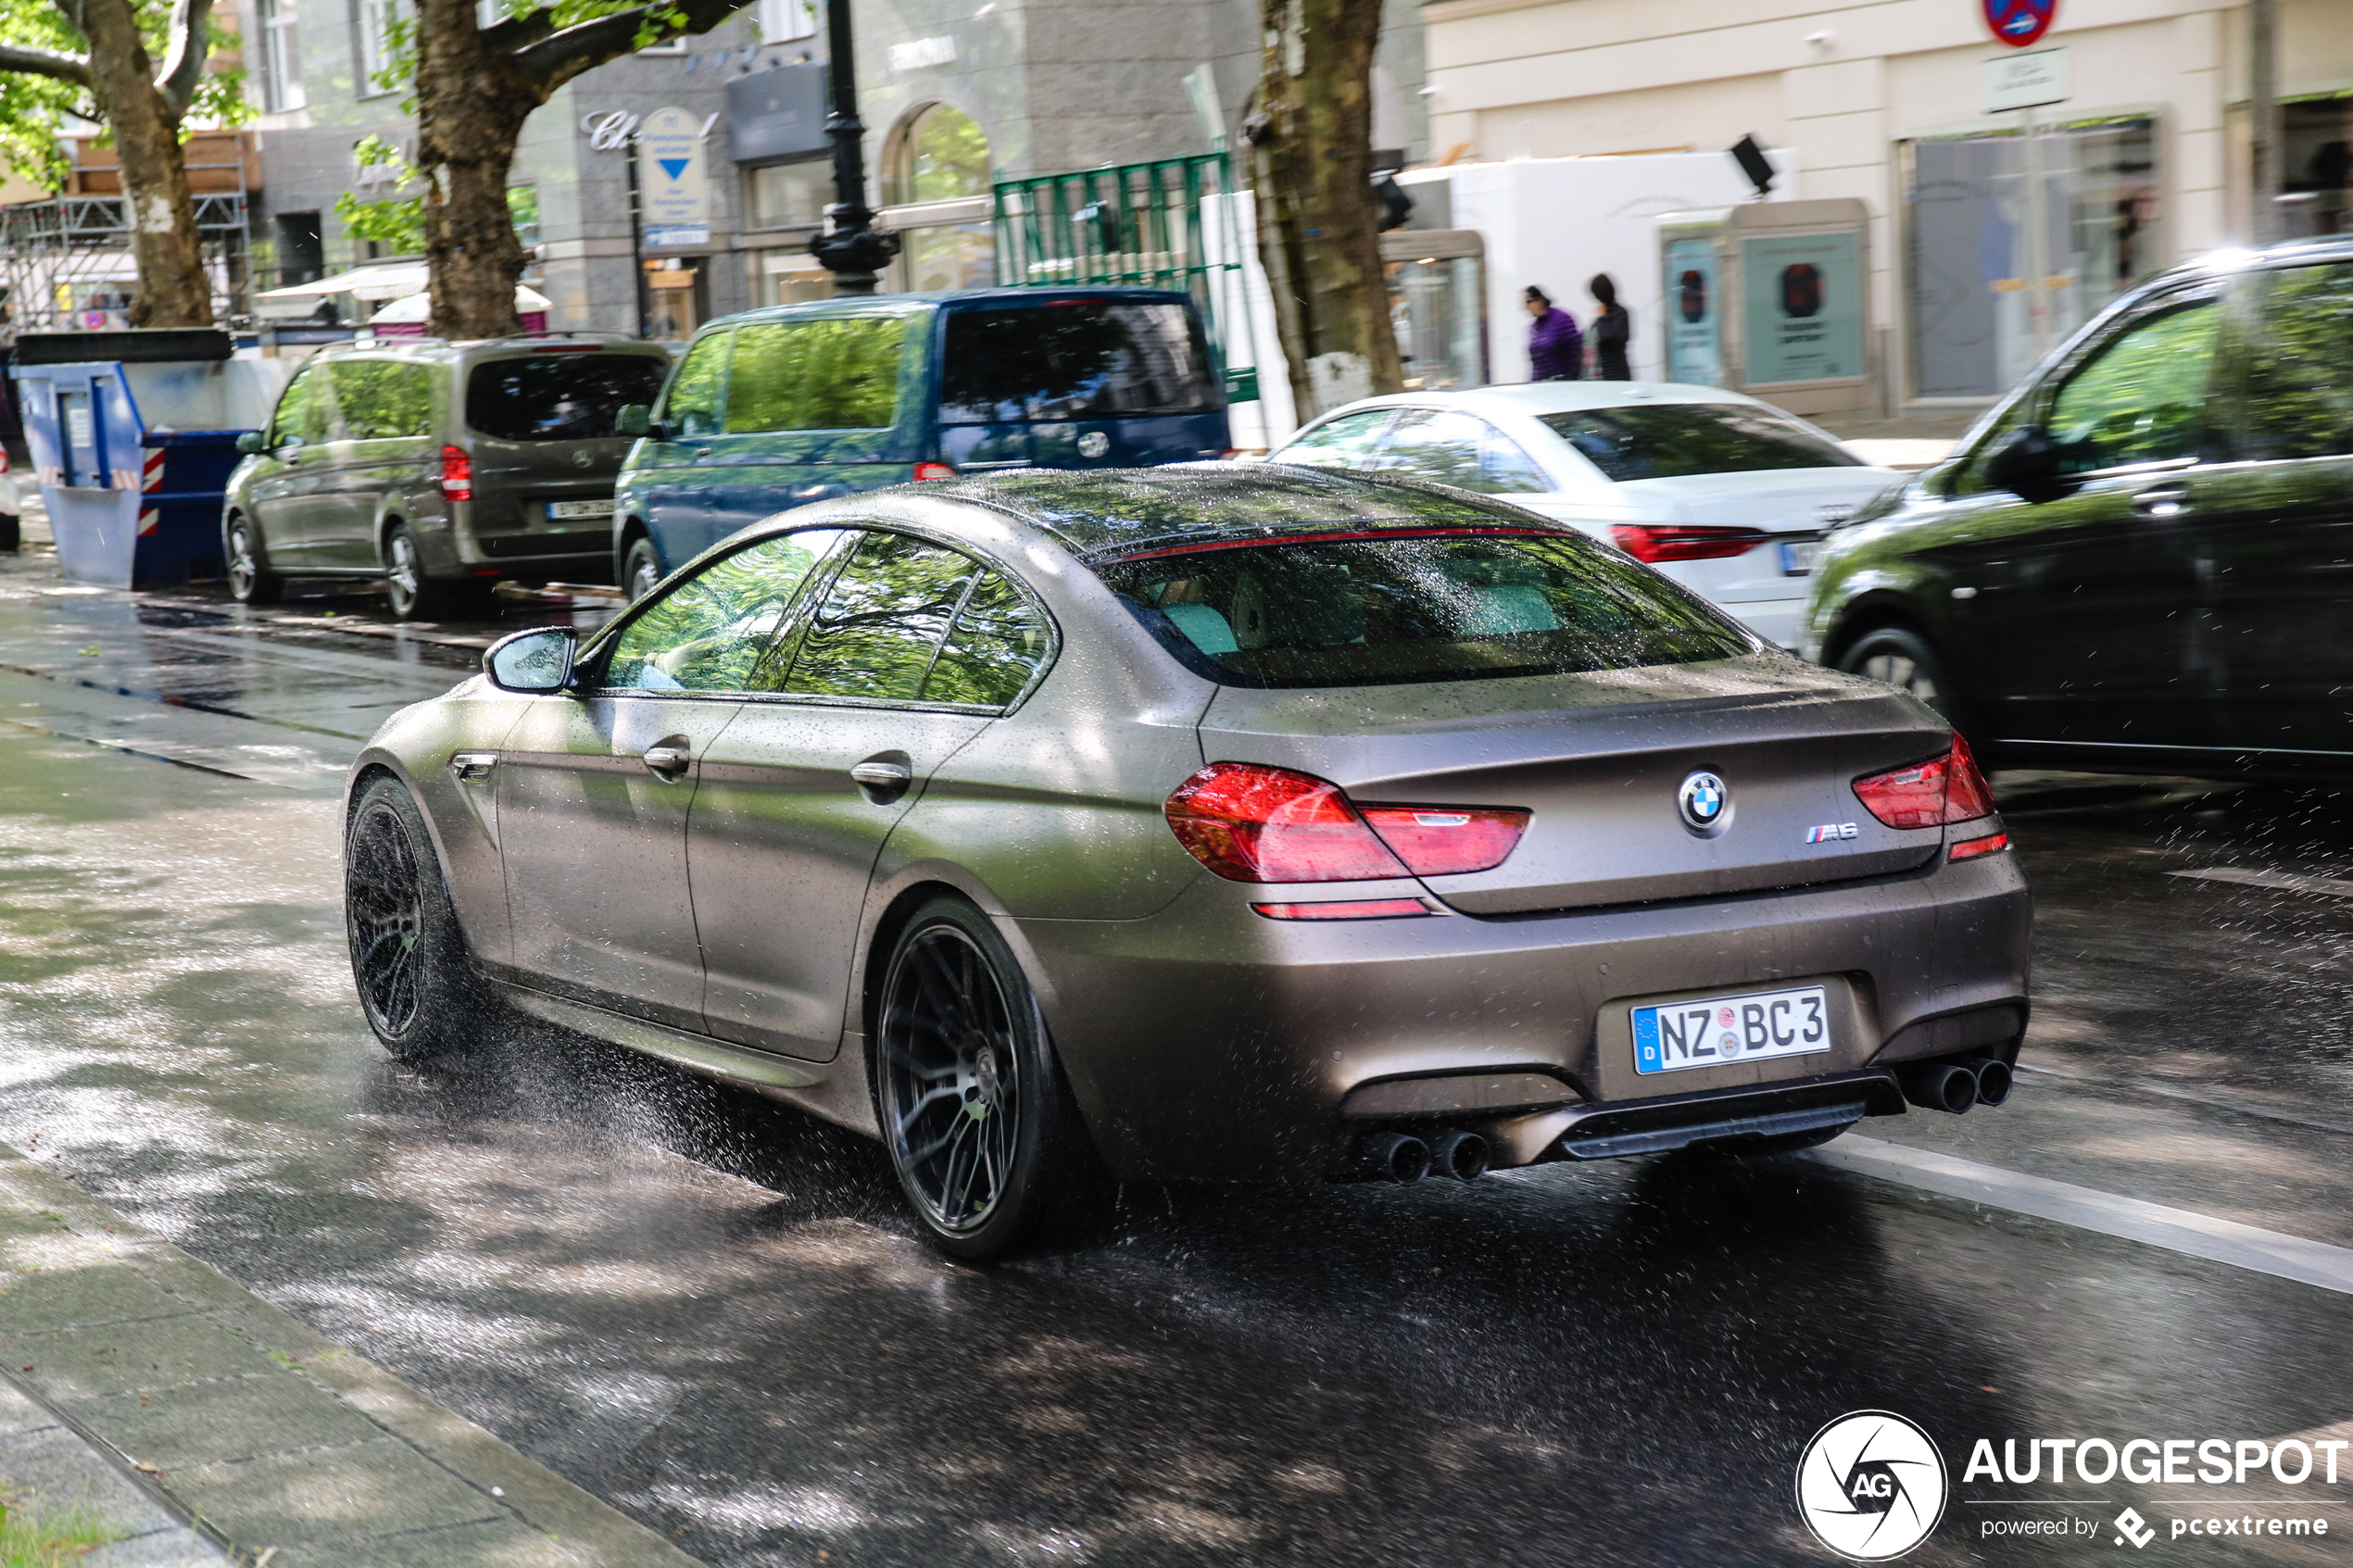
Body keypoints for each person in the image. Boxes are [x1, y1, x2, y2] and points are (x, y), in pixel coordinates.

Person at [1525, 286, 1581, 381]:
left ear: (1539, 301)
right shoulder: (1534, 328)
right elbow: (1536, 365)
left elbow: (1576, 352)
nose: (1526, 307)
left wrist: (1572, 379)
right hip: (1542, 386)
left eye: (1528, 302)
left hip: (1562, 383)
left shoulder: (1562, 319)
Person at [1588, 273, 1631, 381]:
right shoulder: (1603, 316)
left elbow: (1606, 337)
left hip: (1617, 373)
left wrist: (1602, 317)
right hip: (1601, 374)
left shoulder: (1620, 314)